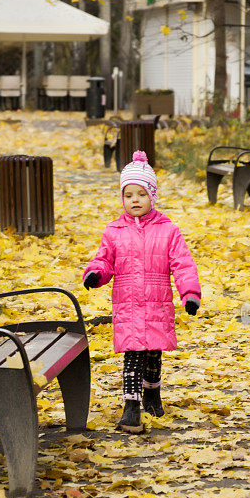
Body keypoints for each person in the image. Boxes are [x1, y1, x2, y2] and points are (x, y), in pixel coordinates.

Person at [83, 150, 201, 433]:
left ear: (152, 196)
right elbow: (104, 260)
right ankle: (131, 407)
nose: (134, 200)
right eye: (128, 195)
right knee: (133, 353)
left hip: (158, 303)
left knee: (153, 353)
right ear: (122, 198)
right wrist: (95, 274)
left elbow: (183, 264)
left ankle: (152, 394)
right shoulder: (113, 231)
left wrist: (190, 294)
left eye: (141, 194)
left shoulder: (169, 230)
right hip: (128, 305)